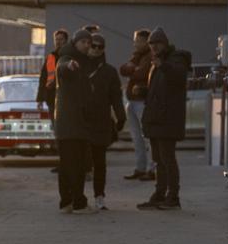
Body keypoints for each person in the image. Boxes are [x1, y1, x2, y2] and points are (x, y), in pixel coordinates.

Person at [138, 27, 191, 211]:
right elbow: (157, 90)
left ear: (165, 44)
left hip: (167, 120)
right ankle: (160, 194)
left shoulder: (175, 59)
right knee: (159, 160)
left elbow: (178, 76)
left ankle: (173, 196)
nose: (154, 47)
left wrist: (163, 66)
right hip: (156, 119)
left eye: (157, 43)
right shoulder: (157, 63)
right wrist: (143, 91)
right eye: (151, 44)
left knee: (167, 159)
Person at [52, 27, 97, 212]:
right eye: (83, 42)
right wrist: (69, 66)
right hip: (70, 123)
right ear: (75, 43)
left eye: (89, 43)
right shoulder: (67, 59)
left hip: (77, 122)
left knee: (73, 164)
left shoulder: (84, 61)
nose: (87, 45)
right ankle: (74, 201)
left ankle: (71, 201)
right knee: (72, 164)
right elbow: (63, 69)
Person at [82, 33, 127, 210]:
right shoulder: (78, 66)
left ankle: (99, 196)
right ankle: (78, 197)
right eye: (93, 45)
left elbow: (116, 96)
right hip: (81, 121)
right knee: (80, 162)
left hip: (101, 122)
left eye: (100, 47)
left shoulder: (109, 71)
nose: (96, 49)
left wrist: (121, 116)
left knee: (99, 162)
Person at [119, 28, 154, 181]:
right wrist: (133, 69)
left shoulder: (150, 56)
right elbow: (123, 69)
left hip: (142, 102)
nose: (135, 44)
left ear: (146, 41)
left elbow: (142, 73)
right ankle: (140, 167)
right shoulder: (136, 56)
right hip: (131, 101)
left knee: (148, 137)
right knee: (136, 137)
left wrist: (132, 69)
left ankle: (152, 169)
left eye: (138, 41)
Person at [37, 29, 69, 109]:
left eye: (61, 39)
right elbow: (43, 78)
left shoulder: (70, 56)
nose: (58, 42)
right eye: (56, 39)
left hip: (66, 97)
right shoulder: (50, 57)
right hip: (51, 97)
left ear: (66, 41)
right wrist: (40, 99)